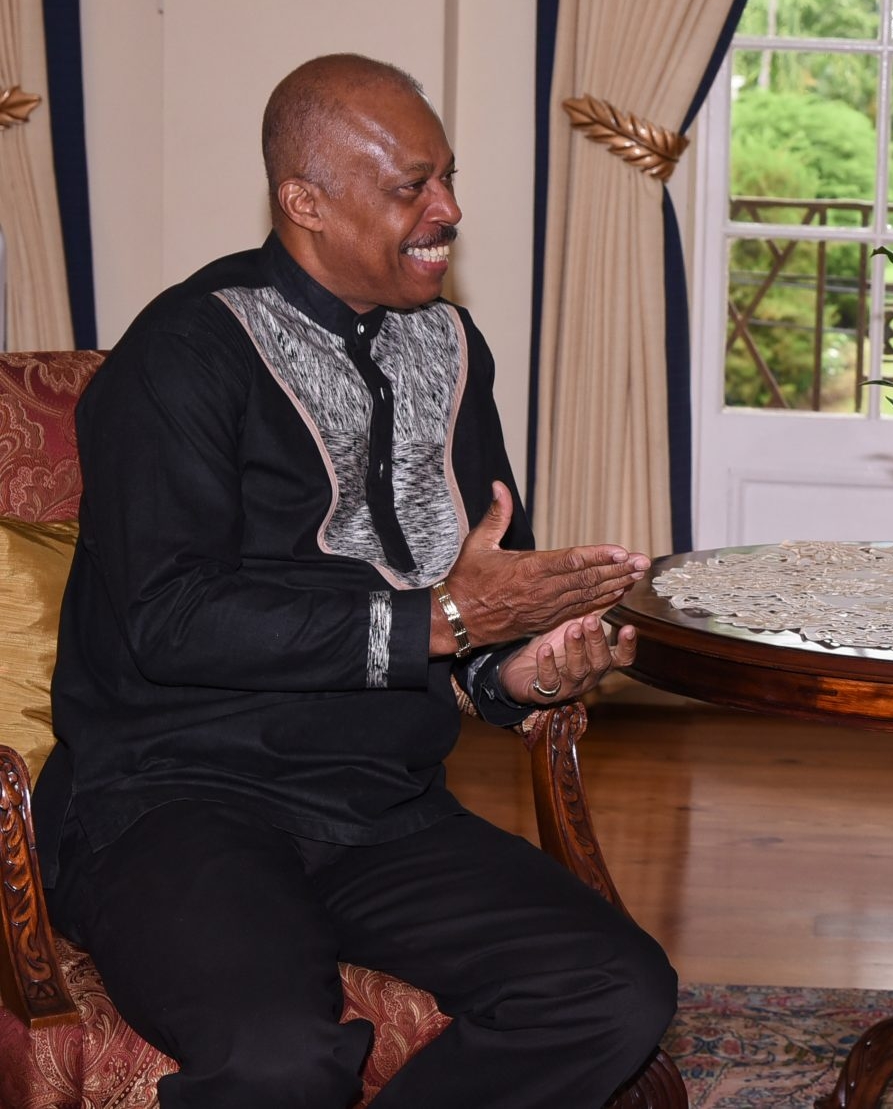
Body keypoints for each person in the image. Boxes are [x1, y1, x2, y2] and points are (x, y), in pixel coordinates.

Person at [34, 54, 678, 1108]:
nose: (449, 209)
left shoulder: (453, 349)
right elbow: (170, 620)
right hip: (175, 800)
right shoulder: (184, 354)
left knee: (612, 991)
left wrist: (527, 669)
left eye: (447, 178)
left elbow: (473, 585)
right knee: (277, 1055)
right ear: (305, 203)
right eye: (409, 187)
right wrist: (444, 621)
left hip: (383, 804)